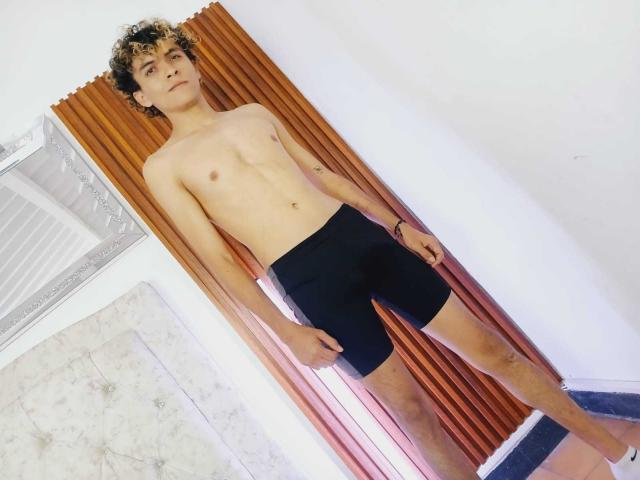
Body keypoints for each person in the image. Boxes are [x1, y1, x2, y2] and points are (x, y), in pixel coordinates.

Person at [107, 18, 638, 479]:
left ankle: (621, 454)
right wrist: (286, 332)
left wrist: (397, 225)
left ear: (193, 63)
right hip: (308, 279)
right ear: (141, 96)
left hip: (357, 237)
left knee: (495, 352)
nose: (168, 69)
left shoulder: (254, 114)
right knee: (413, 413)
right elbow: (218, 259)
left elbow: (322, 174)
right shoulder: (164, 167)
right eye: (151, 69)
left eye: (174, 56)